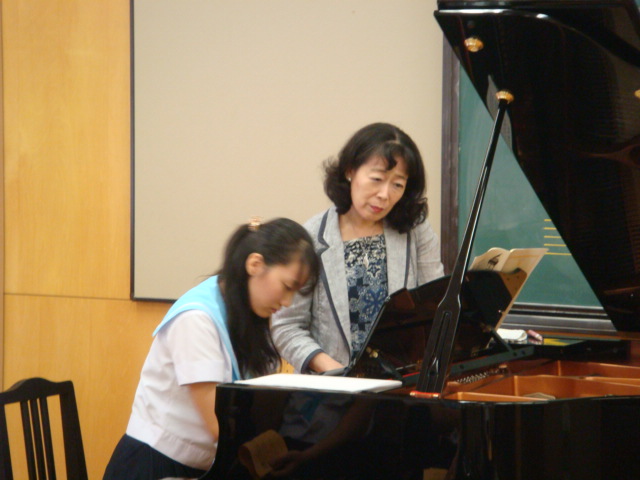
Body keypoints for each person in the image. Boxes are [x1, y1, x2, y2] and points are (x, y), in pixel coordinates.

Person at [103, 218, 319, 480]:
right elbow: (220, 427)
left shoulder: (248, 314)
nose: (287, 302)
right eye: (287, 287)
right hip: (154, 465)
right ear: (255, 265)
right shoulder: (197, 319)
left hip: (204, 465)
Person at [271, 122, 444, 374]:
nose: (384, 194)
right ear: (350, 171)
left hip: (404, 381)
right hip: (333, 387)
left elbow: (435, 306)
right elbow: (286, 326)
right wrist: (337, 372)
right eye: (377, 179)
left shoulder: (415, 230)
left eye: (397, 184)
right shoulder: (311, 238)